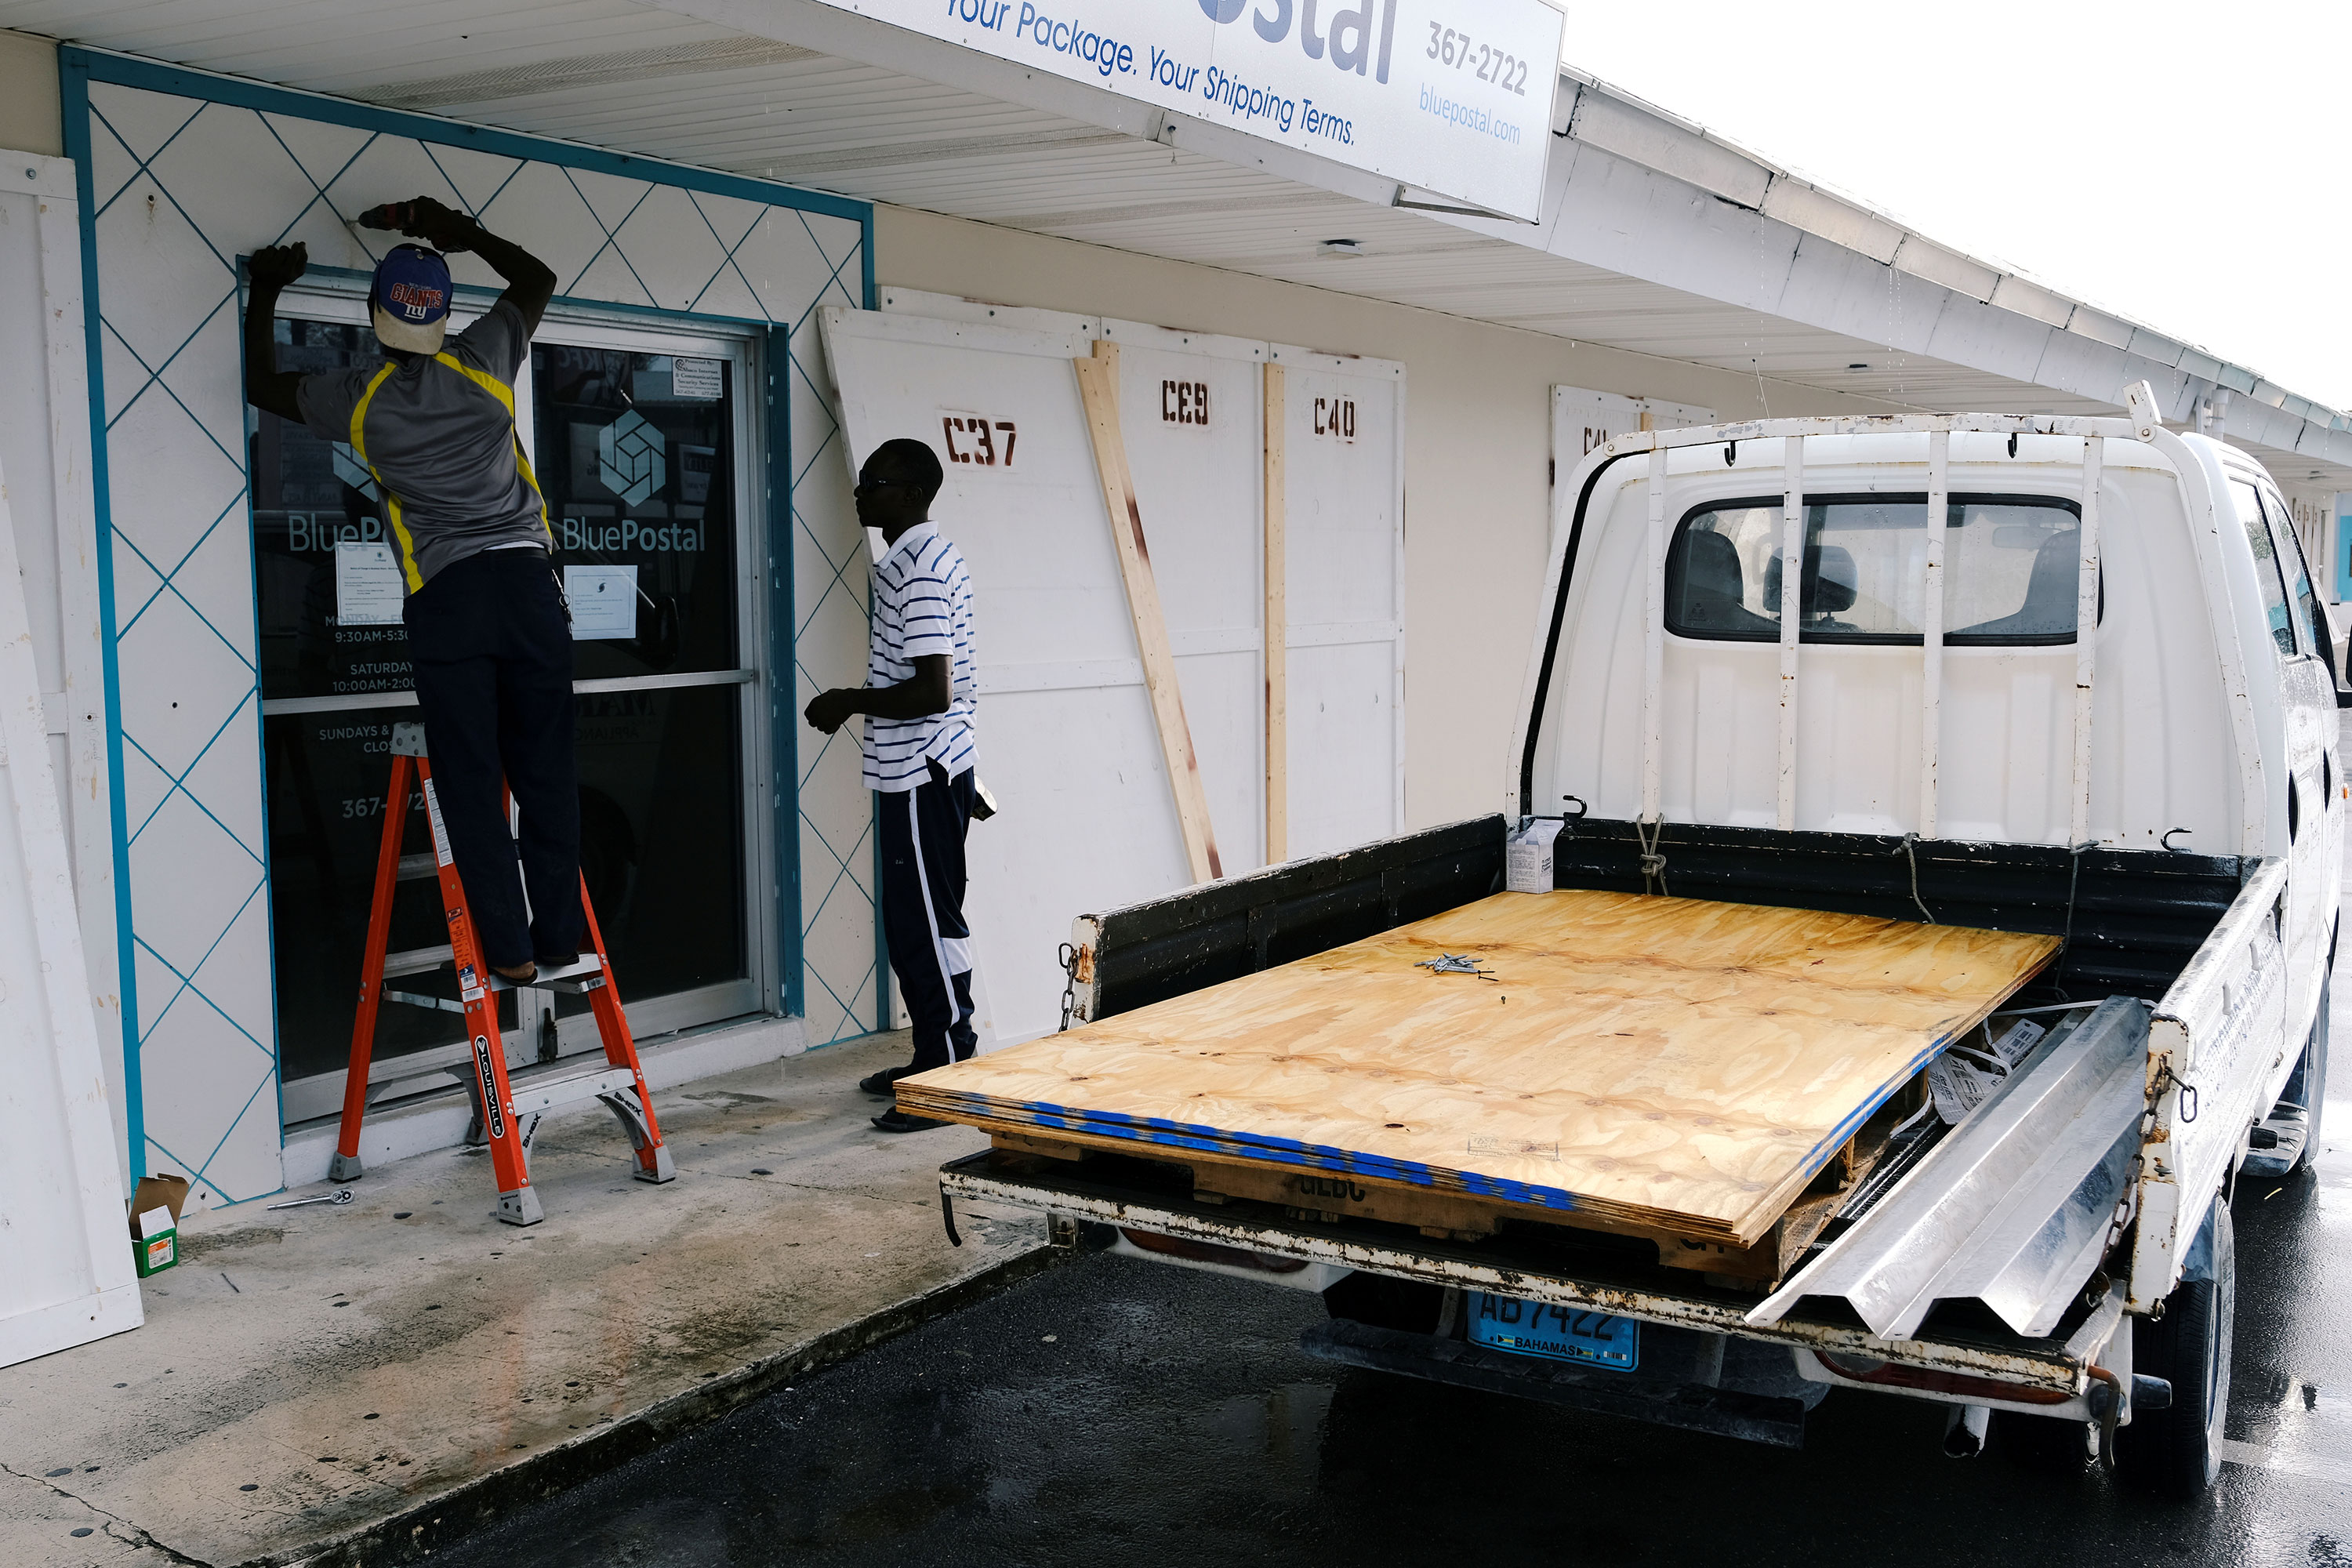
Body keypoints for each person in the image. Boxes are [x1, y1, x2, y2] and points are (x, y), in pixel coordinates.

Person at [245, 198, 576, 986]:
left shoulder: (358, 400)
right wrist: (466, 233)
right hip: (529, 587)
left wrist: (268, 288)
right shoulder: (486, 358)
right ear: (444, 315)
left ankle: (513, 951)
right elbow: (537, 277)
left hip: (449, 596)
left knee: (469, 778)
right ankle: (559, 935)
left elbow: (262, 384)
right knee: (545, 771)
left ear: (372, 314)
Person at [804, 440, 980, 1133]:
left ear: (908, 494)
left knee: (928, 923)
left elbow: (933, 690)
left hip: (921, 769)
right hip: (916, 770)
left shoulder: (922, 571)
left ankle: (944, 1074)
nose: (858, 495)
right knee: (917, 920)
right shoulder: (909, 561)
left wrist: (848, 699)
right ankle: (931, 1055)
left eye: (871, 484)